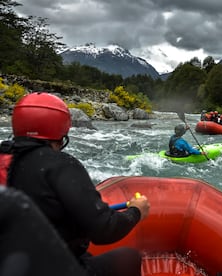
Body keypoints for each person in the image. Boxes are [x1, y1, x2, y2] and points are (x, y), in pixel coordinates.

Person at [0, 92, 150, 276]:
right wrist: (135, 212)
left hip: (11, 263)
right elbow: (104, 230)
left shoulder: (4, 157)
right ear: (60, 131)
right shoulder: (59, 164)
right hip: (48, 268)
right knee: (129, 257)